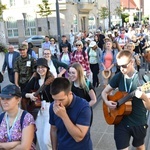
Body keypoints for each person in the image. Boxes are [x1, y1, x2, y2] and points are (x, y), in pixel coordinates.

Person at [101, 50, 150, 150]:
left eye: (124, 66)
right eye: (119, 66)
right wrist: (107, 102)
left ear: (132, 62)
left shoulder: (143, 79)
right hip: (121, 121)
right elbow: (104, 92)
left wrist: (144, 97)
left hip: (138, 121)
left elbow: (149, 106)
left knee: (139, 146)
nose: (121, 69)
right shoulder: (119, 76)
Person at [49, 77, 93, 150]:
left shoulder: (83, 107)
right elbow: (53, 130)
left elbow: (79, 137)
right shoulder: (53, 106)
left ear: (70, 94)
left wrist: (64, 116)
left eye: (61, 100)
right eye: (54, 99)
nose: (57, 103)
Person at [22, 58, 54, 150]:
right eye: (38, 67)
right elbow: (23, 92)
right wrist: (30, 95)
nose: (40, 69)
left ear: (47, 68)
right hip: (37, 111)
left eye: (43, 67)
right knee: (39, 137)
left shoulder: (51, 80)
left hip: (48, 109)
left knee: (46, 139)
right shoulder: (35, 79)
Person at [0, 84, 36, 149]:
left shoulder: (26, 118)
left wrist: (2, 146)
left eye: (8, 99)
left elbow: (25, 147)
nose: (4, 102)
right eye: (2, 98)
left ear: (18, 100)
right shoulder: (1, 117)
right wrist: (14, 144)